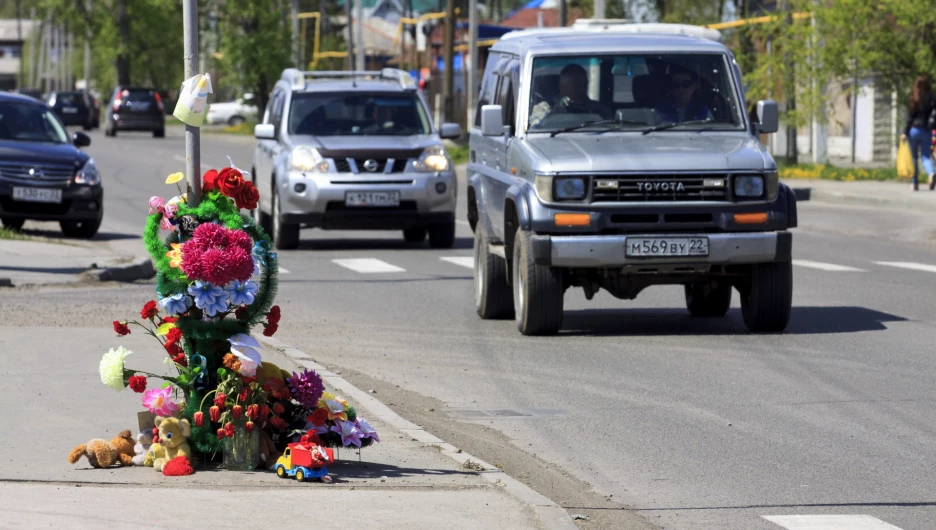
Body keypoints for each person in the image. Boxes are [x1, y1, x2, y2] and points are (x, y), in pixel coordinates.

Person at [529, 64, 611, 128]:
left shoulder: (601, 110)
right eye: (576, 86)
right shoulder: (544, 108)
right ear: (562, 87)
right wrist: (556, 111)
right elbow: (534, 129)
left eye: (584, 85)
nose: (581, 89)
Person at [900, 74, 936, 191]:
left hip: (914, 130)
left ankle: (914, 184)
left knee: (914, 157)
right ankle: (931, 173)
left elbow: (910, 117)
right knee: (926, 156)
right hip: (927, 130)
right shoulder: (932, 98)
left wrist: (905, 132)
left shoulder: (914, 98)